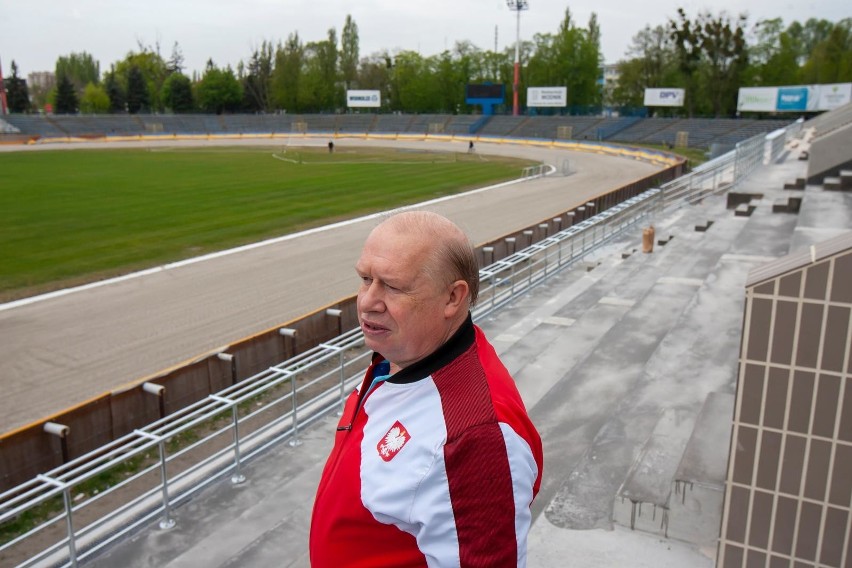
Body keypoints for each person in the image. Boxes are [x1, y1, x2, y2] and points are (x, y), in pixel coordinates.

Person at [309, 211, 543, 567]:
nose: (367, 301)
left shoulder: (474, 439)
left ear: (452, 298)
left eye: (392, 286)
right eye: (365, 278)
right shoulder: (405, 353)